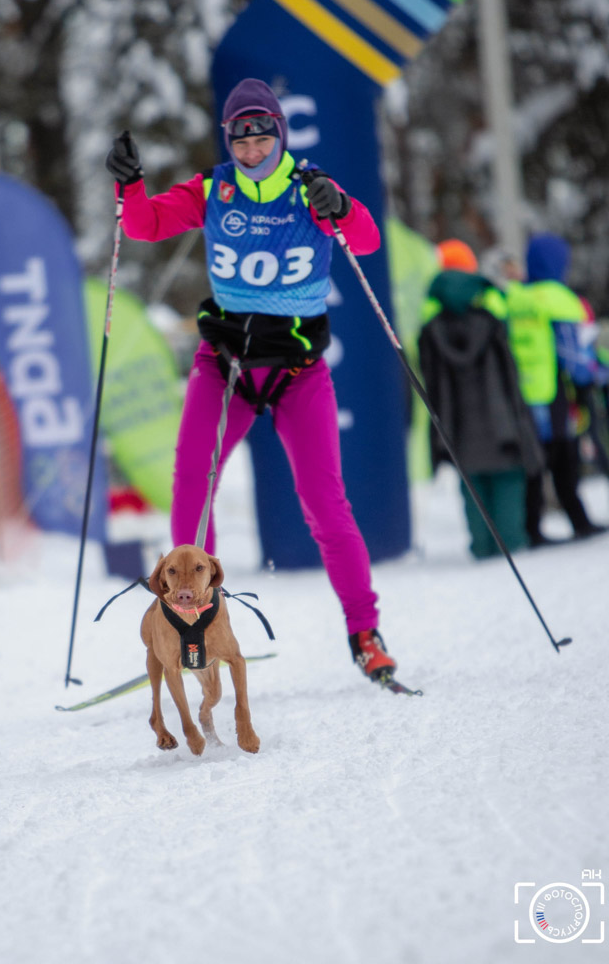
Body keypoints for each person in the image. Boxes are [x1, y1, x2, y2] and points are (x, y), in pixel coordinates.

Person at [104, 77, 398, 684]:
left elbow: (366, 240)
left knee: (325, 506)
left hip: (296, 371)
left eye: (263, 135)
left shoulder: (308, 188)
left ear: (278, 134)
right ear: (228, 139)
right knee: (193, 487)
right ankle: (191, 626)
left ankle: (365, 633)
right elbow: (144, 226)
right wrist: (129, 185)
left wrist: (339, 207)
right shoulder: (214, 188)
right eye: (241, 138)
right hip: (226, 367)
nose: (252, 148)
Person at [418, 243, 543, 560]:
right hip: (502, 426)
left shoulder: (431, 332)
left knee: (472, 491)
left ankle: (482, 549)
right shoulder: (491, 323)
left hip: (457, 428)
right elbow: (510, 380)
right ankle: (512, 545)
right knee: (507, 484)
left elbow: (431, 385)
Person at [504, 233, 606, 544]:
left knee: (535, 463)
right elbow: (573, 353)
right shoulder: (560, 298)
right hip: (558, 394)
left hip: (524, 393)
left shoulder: (517, 297)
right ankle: (579, 521)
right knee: (566, 459)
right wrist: (594, 375)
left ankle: (531, 527)